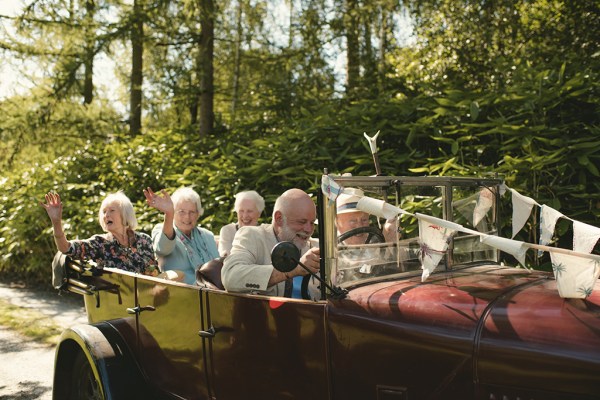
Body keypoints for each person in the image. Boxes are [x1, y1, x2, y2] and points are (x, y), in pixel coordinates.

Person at [221, 188, 320, 297]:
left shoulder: (314, 247)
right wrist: (294, 269)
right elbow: (231, 277)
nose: (308, 229)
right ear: (279, 218)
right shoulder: (252, 236)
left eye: (312, 223)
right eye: (302, 222)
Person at [41, 191, 159, 275]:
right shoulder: (99, 243)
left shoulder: (144, 240)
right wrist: (56, 222)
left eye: (112, 210)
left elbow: (154, 272)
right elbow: (66, 248)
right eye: (104, 212)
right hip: (115, 303)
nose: (106, 215)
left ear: (125, 214)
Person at [144, 186, 219, 285]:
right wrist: (168, 213)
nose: (187, 217)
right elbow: (162, 248)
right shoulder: (162, 229)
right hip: (182, 293)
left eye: (192, 212)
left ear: (198, 214)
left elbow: (218, 267)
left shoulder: (207, 235)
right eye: (181, 212)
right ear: (173, 212)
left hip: (213, 291)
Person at [218, 190, 265, 257]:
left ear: (259, 213)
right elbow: (226, 258)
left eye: (249, 211)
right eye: (241, 211)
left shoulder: (266, 232)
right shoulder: (228, 231)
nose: (245, 216)